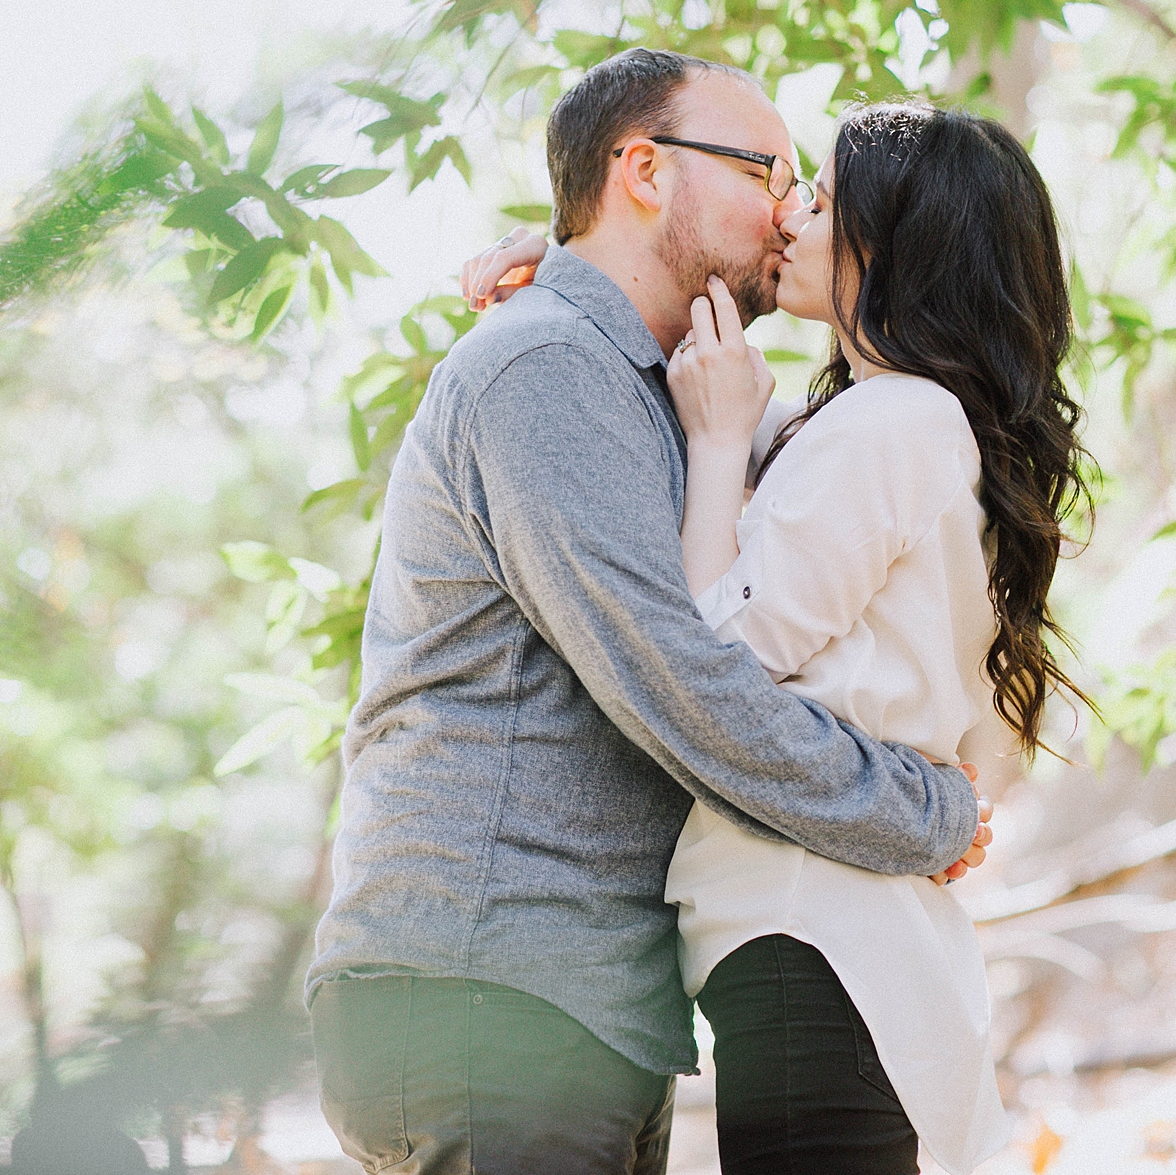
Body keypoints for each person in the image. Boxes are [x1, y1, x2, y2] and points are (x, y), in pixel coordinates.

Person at [304, 50, 992, 1175]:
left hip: (578, 1008)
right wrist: (922, 811)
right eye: (768, 172)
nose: (789, 212)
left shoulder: (641, 383)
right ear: (643, 171)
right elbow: (680, 678)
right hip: (492, 988)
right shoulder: (544, 368)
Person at [466, 101, 1090, 1174]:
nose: (789, 216)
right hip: (825, 929)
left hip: (816, 931)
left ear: (896, 244)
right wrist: (573, 257)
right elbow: (674, 335)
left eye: (824, 199)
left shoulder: (892, 421)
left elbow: (719, 656)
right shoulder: (872, 423)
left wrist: (716, 444)